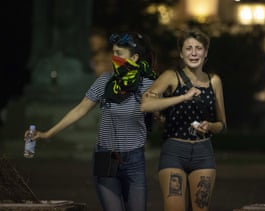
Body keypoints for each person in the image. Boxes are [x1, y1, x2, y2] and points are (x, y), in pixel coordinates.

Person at [24, 32, 157, 211]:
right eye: (114, 52)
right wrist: (48, 133)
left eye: (120, 53)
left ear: (134, 57)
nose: (114, 57)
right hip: (106, 156)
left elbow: (160, 109)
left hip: (133, 157)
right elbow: (80, 109)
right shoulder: (104, 81)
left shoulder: (148, 84)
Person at [140, 29, 227, 211]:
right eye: (188, 48)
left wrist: (210, 126)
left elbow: (222, 125)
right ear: (181, 53)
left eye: (198, 48)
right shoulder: (172, 77)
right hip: (174, 151)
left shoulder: (214, 81)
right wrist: (182, 97)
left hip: (203, 153)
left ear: (206, 53)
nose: (193, 53)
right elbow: (145, 104)